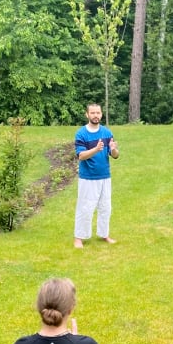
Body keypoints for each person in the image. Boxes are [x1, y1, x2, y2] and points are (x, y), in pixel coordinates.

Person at [74, 103, 119, 248]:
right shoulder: (81, 134)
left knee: (106, 207)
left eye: (98, 113)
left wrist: (113, 149)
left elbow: (115, 155)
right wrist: (96, 149)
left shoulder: (106, 133)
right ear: (87, 115)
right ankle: (79, 238)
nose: (95, 115)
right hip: (88, 178)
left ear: (101, 114)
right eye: (92, 113)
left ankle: (104, 234)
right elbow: (81, 156)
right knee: (85, 208)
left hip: (105, 176)